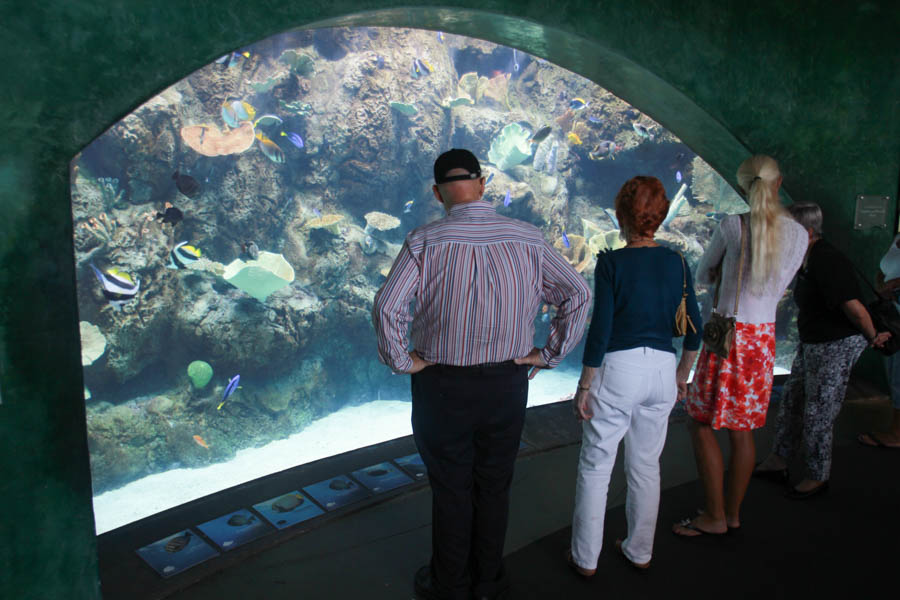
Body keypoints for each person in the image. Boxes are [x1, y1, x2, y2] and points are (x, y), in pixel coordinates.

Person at [372, 149, 591, 600]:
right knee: (494, 483)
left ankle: (449, 584)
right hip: (505, 383)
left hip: (442, 385)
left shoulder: (423, 241)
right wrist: (547, 354)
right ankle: (489, 582)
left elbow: (388, 306)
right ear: (483, 183)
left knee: (451, 486)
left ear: (437, 193)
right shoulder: (528, 239)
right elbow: (578, 294)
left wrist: (403, 361)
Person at [567, 176, 702, 576]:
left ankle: (585, 558)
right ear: (659, 215)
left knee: (597, 464)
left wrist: (585, 384)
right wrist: (682, 374)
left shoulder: (611, 262)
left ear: (622, 214)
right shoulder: (677, 262)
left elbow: (602, 327)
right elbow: (694, 325)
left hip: (618, 370)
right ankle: (639, 550)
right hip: (662, 369)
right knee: (646, 465)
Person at [673, 155, 807, 536]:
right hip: (761, 340)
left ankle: (713, 516)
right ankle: (732, 513)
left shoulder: (732, 226)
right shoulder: (798, 234)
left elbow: (701, 275)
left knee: (700, 422)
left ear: (743, 186)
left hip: (727, 336)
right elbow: (780, 287)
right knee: (742, 429)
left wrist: (722, 274)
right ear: (778, 183)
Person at [753, 202, 890, 498]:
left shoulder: (827, 260)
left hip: (835, 343)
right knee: (792, 399)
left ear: (808, 231)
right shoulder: (806, 257)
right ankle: (779, 459)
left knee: (819, 409)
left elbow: (854, 307)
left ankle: (818, 474)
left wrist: (874, 336)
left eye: (786, 229)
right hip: (813, 342)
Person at [856, 232, 900, 449]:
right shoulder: (897, 237)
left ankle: (897, 433)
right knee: (893, 369)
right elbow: (883, 269)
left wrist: (895, 283)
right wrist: (881, 284)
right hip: (893, 314)